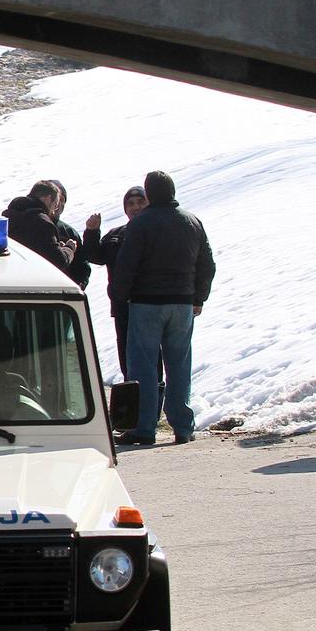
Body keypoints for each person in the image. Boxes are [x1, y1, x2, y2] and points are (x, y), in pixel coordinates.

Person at [109, 170, 216, 446]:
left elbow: (127, 266)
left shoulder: (140, 224)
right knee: (179, 365)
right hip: (182, 304)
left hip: (146, 304)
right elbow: (207, 264)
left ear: (150, 193)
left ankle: (144, 428)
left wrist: (120, 296)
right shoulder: (192, 221)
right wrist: (198, 298)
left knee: (143, 367)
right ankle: (182, 426)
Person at [81, 185, 148, 380]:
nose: (135, 207)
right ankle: (133, 399)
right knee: (126, 355)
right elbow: (95, 256)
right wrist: (92, 232)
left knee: (150, 356)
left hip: (149, 305)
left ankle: (153, 404)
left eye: (140, 202)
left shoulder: (157, 232)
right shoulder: (116, 234)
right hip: (122, 307)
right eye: (130, 204)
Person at [2, 181, 79, 277]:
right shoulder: (42, 222)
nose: (54, 211)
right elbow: (58, 261)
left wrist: (56, 247)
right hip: (32, 280)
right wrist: (69, 248)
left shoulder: (9, 214)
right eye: (55, 205)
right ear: (48, 199)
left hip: (7, 274)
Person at [49, 180, 91, 288]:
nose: (58, 203)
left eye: (62, 199)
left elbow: (83, 267)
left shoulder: (70, 233)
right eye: (55, 198)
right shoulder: (30, 226)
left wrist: (78, 287)